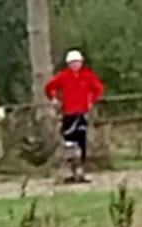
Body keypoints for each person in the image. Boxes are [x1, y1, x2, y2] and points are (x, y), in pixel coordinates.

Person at [44, 49, 105, 184]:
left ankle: (80, 171)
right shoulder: (64, 76)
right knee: (69, 143)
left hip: (82, 113)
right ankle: (71, 171)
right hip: (68, 113)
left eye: (77, 62)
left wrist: (91, 100)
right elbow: (49, 87)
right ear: (68, 64)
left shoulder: (87, 76)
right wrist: (54, 99)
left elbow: (99, 88)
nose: (75, 65)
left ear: (81, 62)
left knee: (81, 142)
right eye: (72, 63)